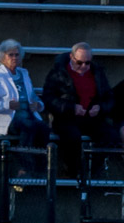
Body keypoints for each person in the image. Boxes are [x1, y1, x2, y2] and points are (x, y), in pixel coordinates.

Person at [40, 42, 116, 178]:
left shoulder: (97, 72)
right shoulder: (58, 73)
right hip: (66, 118)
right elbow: (49, 98)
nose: (84, 67)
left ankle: (93, 172)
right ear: (71, 57)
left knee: (109, 135)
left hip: (92, 118)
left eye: (87, 63)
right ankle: (72, 173)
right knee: (72, 136)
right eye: (79, 62)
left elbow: (109, 97)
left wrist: (100, 107)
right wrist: (71, 108)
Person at [0, 39, 49, 150]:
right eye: (10, 55)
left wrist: (39, 105)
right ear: (3, 57)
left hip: (29, 116)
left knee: (44, 128)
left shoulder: (24, 74)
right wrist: (6, 105)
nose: (14, 58)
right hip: (10, 119)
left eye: (17, 55)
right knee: (29, 127)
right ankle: (23, 165)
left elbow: (33, 97)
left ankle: (40, 163)